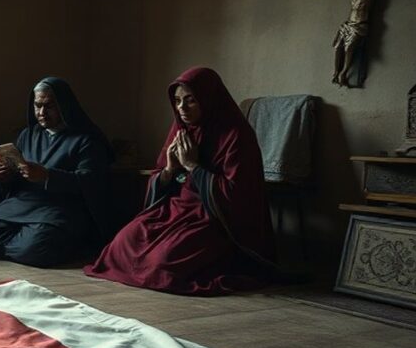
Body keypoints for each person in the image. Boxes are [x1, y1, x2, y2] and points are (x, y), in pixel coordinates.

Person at [84, 67, 276, 295]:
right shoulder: (181, 129)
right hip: (174, 209)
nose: (181, 108)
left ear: (207, 99)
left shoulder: (236, 135)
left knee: (162, 261)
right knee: (122, 243)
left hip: (212, 218)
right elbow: (160, 177)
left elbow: (238, 197)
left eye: (190, 100)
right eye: (177, 101)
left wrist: (193, 166)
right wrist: (169, 169)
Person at [0, 77, 114, 267]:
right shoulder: (28, 134)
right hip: (23, 203)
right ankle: (23, 243)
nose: (41, 113)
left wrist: (47, 176)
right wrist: (3, 175)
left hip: (59, 206)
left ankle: (29, 243)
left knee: (36, 249)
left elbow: (92, 182)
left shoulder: (86, 140)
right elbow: (17, 176)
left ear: (64, 105)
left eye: (49, 106)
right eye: (37, 106)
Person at [317, 0, 416, 87]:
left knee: (350, 48)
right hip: (348, 24)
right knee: (337, 46)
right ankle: (336, 71)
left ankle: (344, 72)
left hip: (360, 26)